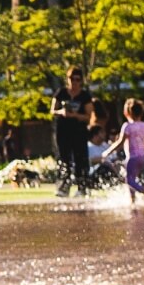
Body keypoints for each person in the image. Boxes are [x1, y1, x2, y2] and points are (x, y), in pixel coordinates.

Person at [50, 66, 95, 198]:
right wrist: (62, 112)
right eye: (71, 79)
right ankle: (64, 187)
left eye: (77, 79)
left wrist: (75, 115)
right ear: (67, 79)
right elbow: (53, 110)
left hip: (79, 132)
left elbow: (89, 116)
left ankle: (83, 187)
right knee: (64, 159)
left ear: (81, 81)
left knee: (81, 159)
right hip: (63, 131)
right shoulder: (61, 93)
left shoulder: (85, 96)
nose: (74, 82)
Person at [102, 98, 144, 205]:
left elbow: (120, 142)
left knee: (129, 180)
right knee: (133, 178)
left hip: (132, 158)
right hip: (142, 157)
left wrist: (108, 152)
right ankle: (132, 201)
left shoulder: (128, 126)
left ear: (127, 112)